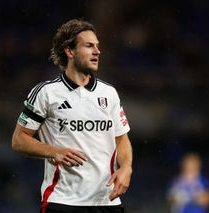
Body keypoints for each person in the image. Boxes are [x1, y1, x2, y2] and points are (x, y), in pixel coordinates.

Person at [11, 19, 133, 213]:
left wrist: (126, 167)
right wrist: (53, 151)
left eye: (98, 46)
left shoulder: (109, 93)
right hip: (63, 202)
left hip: (106, 202)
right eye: (89, 46)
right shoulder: (46, 93)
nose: (97, 51)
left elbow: (121, 138)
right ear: (70, 51)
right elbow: (19, 140)